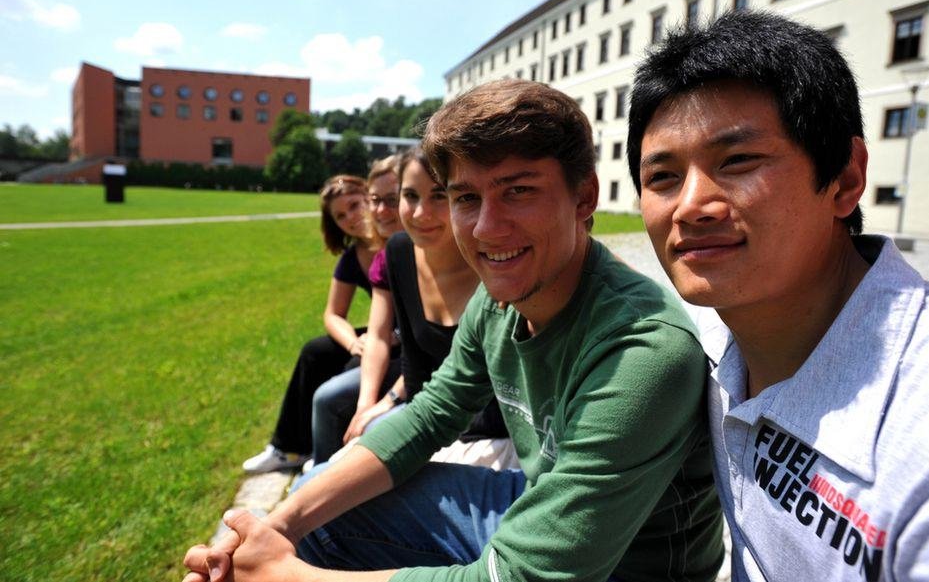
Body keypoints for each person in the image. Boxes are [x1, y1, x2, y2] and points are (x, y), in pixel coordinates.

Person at [182, 79, 724, 582]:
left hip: (625, 568)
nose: (487, 228)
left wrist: (289, 576)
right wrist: (280, 526)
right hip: (532, 504)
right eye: (466, 198)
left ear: (584, 197)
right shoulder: (498, 300)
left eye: (517, 191)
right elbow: (431, 413)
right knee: (319, 508)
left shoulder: (644, 351)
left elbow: (525, 579)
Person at [626, 10, 929, 581]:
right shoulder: (713, 343)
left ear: (845, 179)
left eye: (739, 161)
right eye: (663, 178)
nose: (691, 205)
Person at [310, 148, 511, 466]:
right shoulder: (398, 253)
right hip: (431, 414)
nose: (420, 213)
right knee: (328, 475)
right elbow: (410, 363)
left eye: (438, 196)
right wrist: (370, 405)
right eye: (410, 196)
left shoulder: (498, 260)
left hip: (493, 433)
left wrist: (389, 404)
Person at [242, 161, 403, 473]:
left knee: (342, 378)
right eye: (340, 216)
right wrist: (354, 342)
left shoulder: (395, 237)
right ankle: (288, 447)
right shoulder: (353, 256)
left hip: (405, 333)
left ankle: (330, 451)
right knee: (316, 352)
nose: (352, 218)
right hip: (385, 330)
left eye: (356, 205)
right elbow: (333, 314)